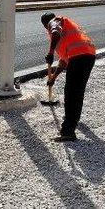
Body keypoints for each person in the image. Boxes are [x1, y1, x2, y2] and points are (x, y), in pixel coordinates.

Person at [41, 12, 96, 142]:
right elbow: (64, 61)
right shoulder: (67, 29)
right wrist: (53, 77)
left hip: (79, 57)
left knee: (71, 93)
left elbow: (54, 31)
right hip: (88, 56)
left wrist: (50, 53)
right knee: (77, 91)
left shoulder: (54, 22)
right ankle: (73, 120)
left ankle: (68, 131)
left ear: (45, 24)